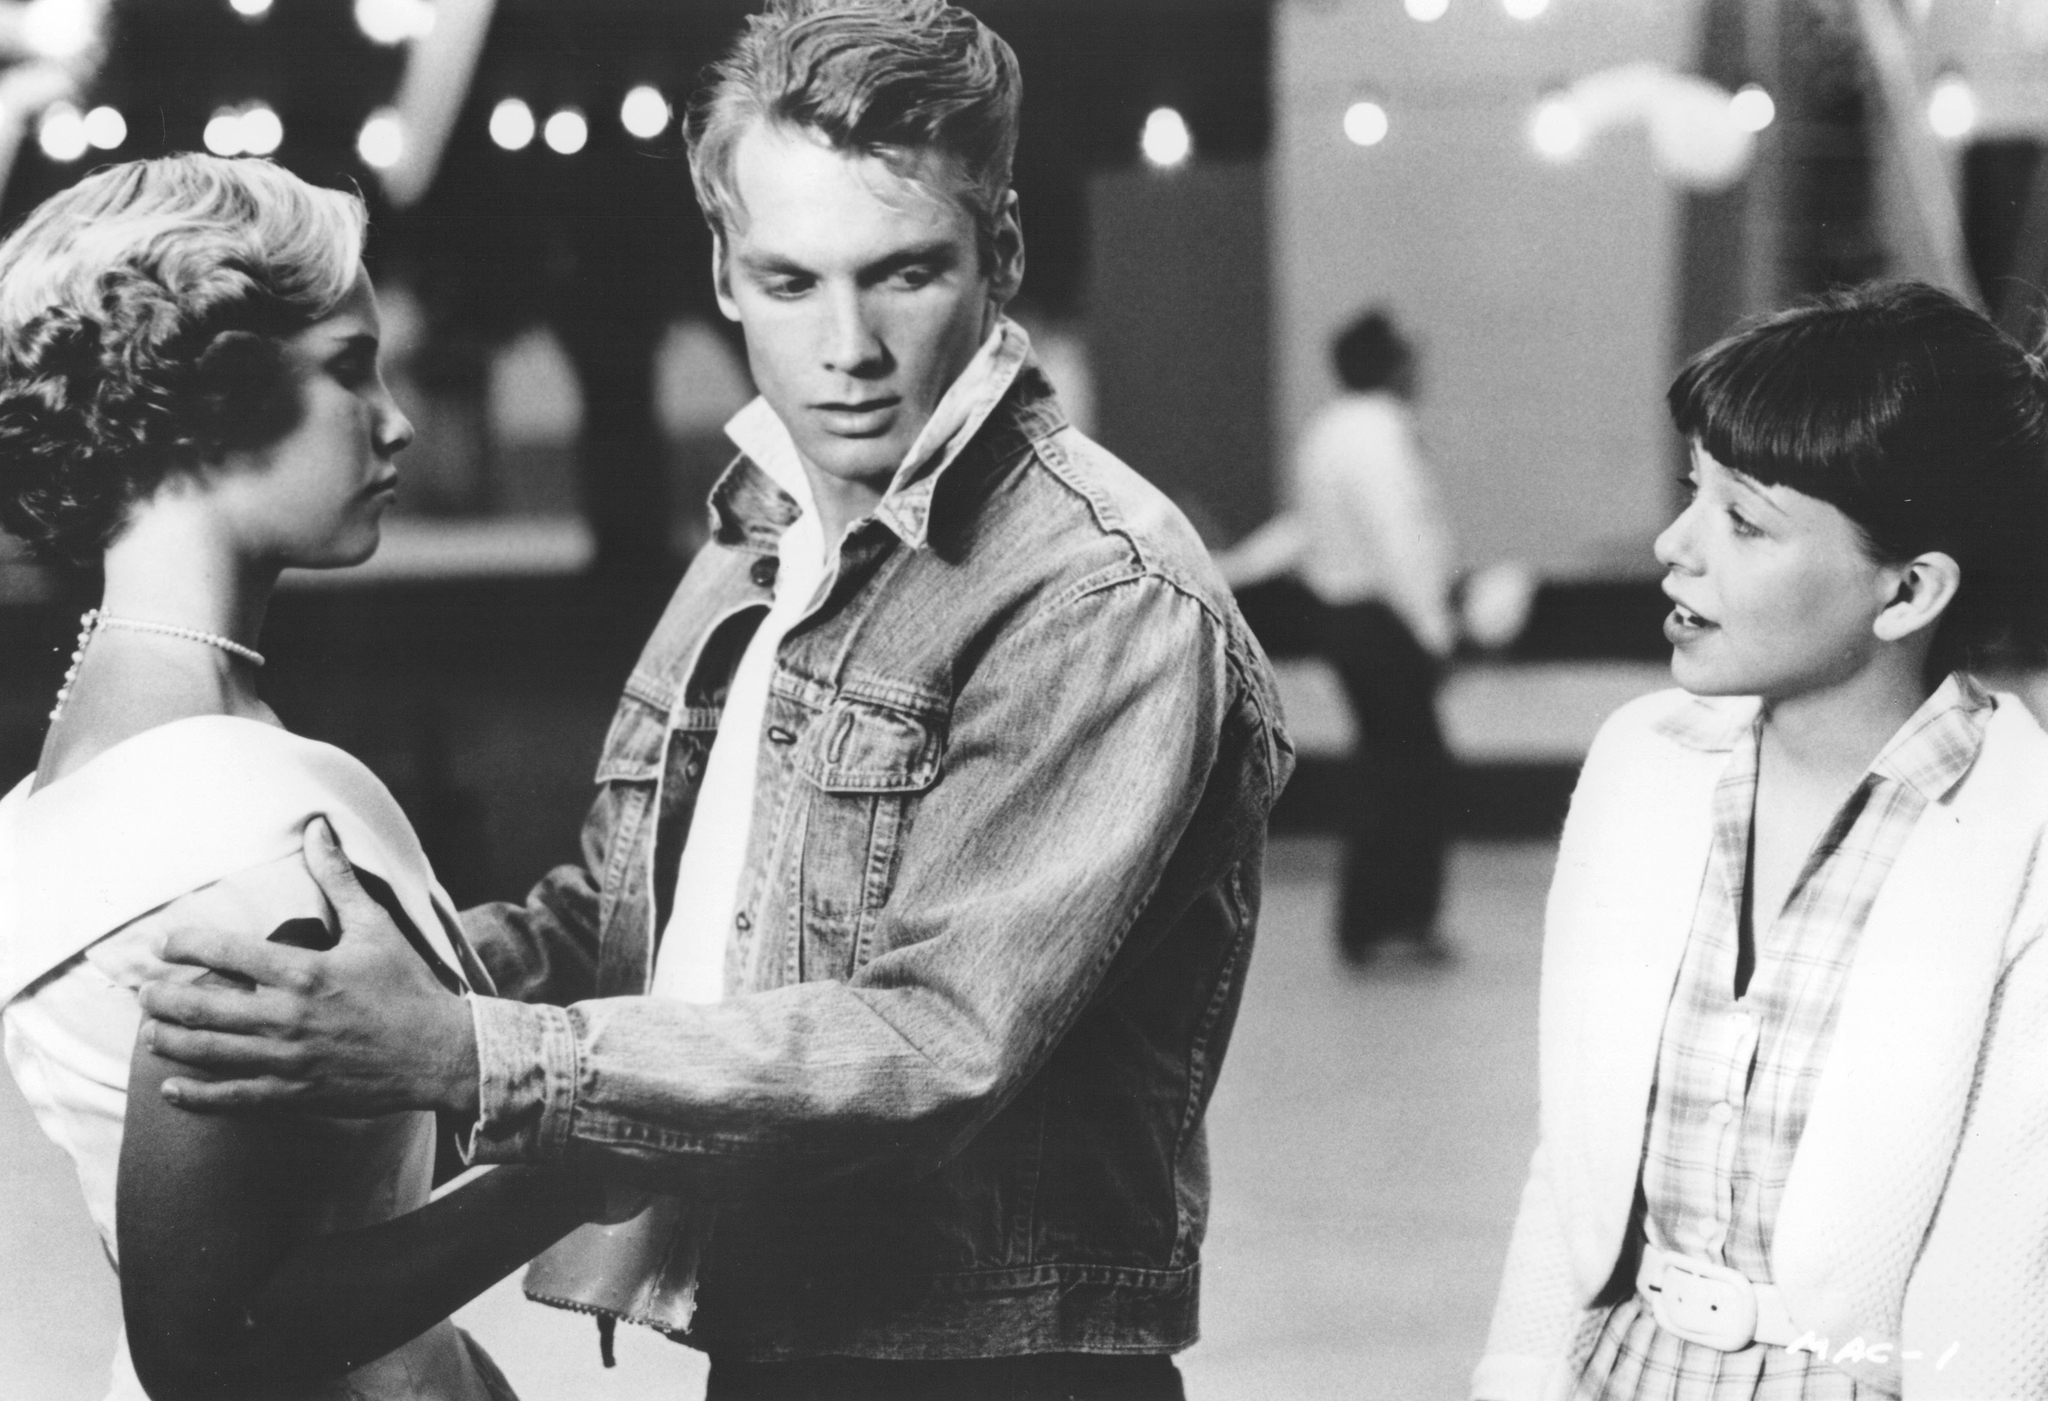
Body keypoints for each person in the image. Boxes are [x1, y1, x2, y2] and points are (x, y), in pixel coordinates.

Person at [135, 5, 1293, 1400]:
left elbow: (932, 1044)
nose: (849, 347)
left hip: (995, 1366)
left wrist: (462, 1050)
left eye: (906, 273)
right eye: (792, 281)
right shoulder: (762, 531)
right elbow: (643, 914)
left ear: (1005, 257)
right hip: (778, 1342)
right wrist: (356, 987)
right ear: (724, 273)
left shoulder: (1101, 592)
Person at [0, 156, 628, 1401]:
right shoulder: (240, 838)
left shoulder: (87, 754)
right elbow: (214, 1343)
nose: (395, 418)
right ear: (208, 396)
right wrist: (598, 1151)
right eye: (349, 365)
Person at [1474, 281, 2048, 1401]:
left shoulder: (2021, 838)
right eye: (1693, 493)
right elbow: (1571, 1171)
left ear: (1907, 589)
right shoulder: (1641, 764)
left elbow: (2000, 1266)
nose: (1673, 546)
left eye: (1744, 520)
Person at [1220, 307, 1457, 961]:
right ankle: (1399, 921)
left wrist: (1231, 565)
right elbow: (1397, 535)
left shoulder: (1326, 433)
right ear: (1397, 363)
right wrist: (1434, 629)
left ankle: (1369, 921)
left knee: (1385, 766)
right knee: (1414, 772)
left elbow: (1304, 528)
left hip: (1343, 622)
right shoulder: (1381, 434)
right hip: (1384, 620)